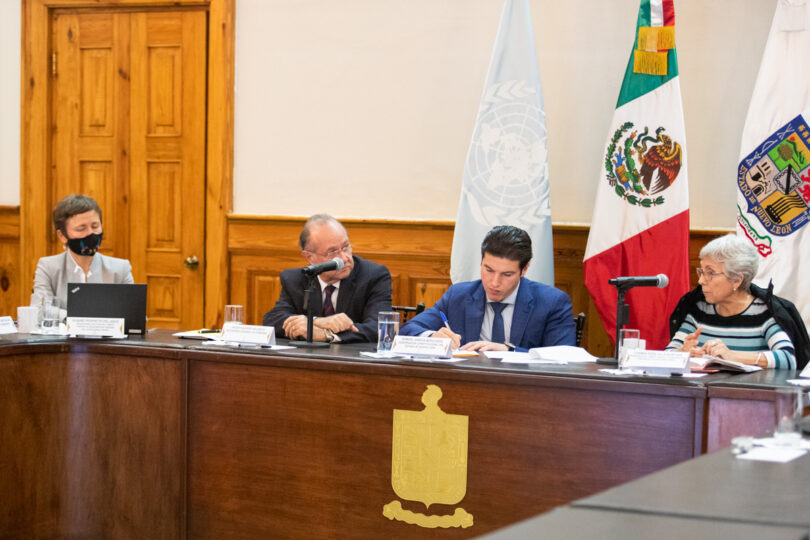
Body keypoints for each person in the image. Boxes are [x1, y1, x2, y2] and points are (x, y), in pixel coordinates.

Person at [399, 225, 575, 351]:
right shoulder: (459, 295)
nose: (494, 282)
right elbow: (408, 330)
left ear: (524, 269)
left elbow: (564, 358)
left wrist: (510, 351)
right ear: (481, 262)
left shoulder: (552, 302)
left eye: (506, 274)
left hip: (525, 389)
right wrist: (431, 337)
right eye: (488, 270)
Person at [667, 234, 809, 370]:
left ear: (737, 280)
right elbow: (667, 355)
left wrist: (732, 356)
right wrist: (682, 352)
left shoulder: (762, 312)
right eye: (701, 272)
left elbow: (788, 358)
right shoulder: (699, 309)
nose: (701, 281)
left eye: (710, 273)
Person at [263, 214, 392, 343]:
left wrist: (327, 335)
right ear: (309, 257)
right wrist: (317, 322)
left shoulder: (373, 276)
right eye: (332, 252)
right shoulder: (295, 279)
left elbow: (380, 328)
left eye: (345, 247)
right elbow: (273, 320)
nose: (344, 258)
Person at [32, 194, 134, 309]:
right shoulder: (48, 267)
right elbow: (40, 309)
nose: (90, 233)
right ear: (62, 236)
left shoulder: (121, 269)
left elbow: (133, 313)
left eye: (95, 226)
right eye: (81, 229)